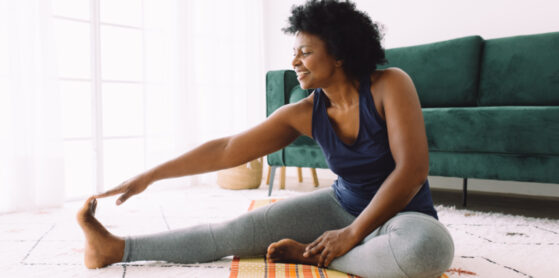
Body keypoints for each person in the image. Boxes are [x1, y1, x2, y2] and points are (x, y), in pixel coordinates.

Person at [76, 0, 454, 277]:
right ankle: (115, 248)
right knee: (236, 232)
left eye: (306, 52)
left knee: (427, 251)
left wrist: (351, 235)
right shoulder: (303, 112)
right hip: (341, 206)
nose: (295, 62)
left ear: (339, 54)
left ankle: (313, 255)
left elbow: (413, 170)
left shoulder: (391, 85)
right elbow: (227, 149)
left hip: (403, 217)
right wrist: (151, 175)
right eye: (294, 52)